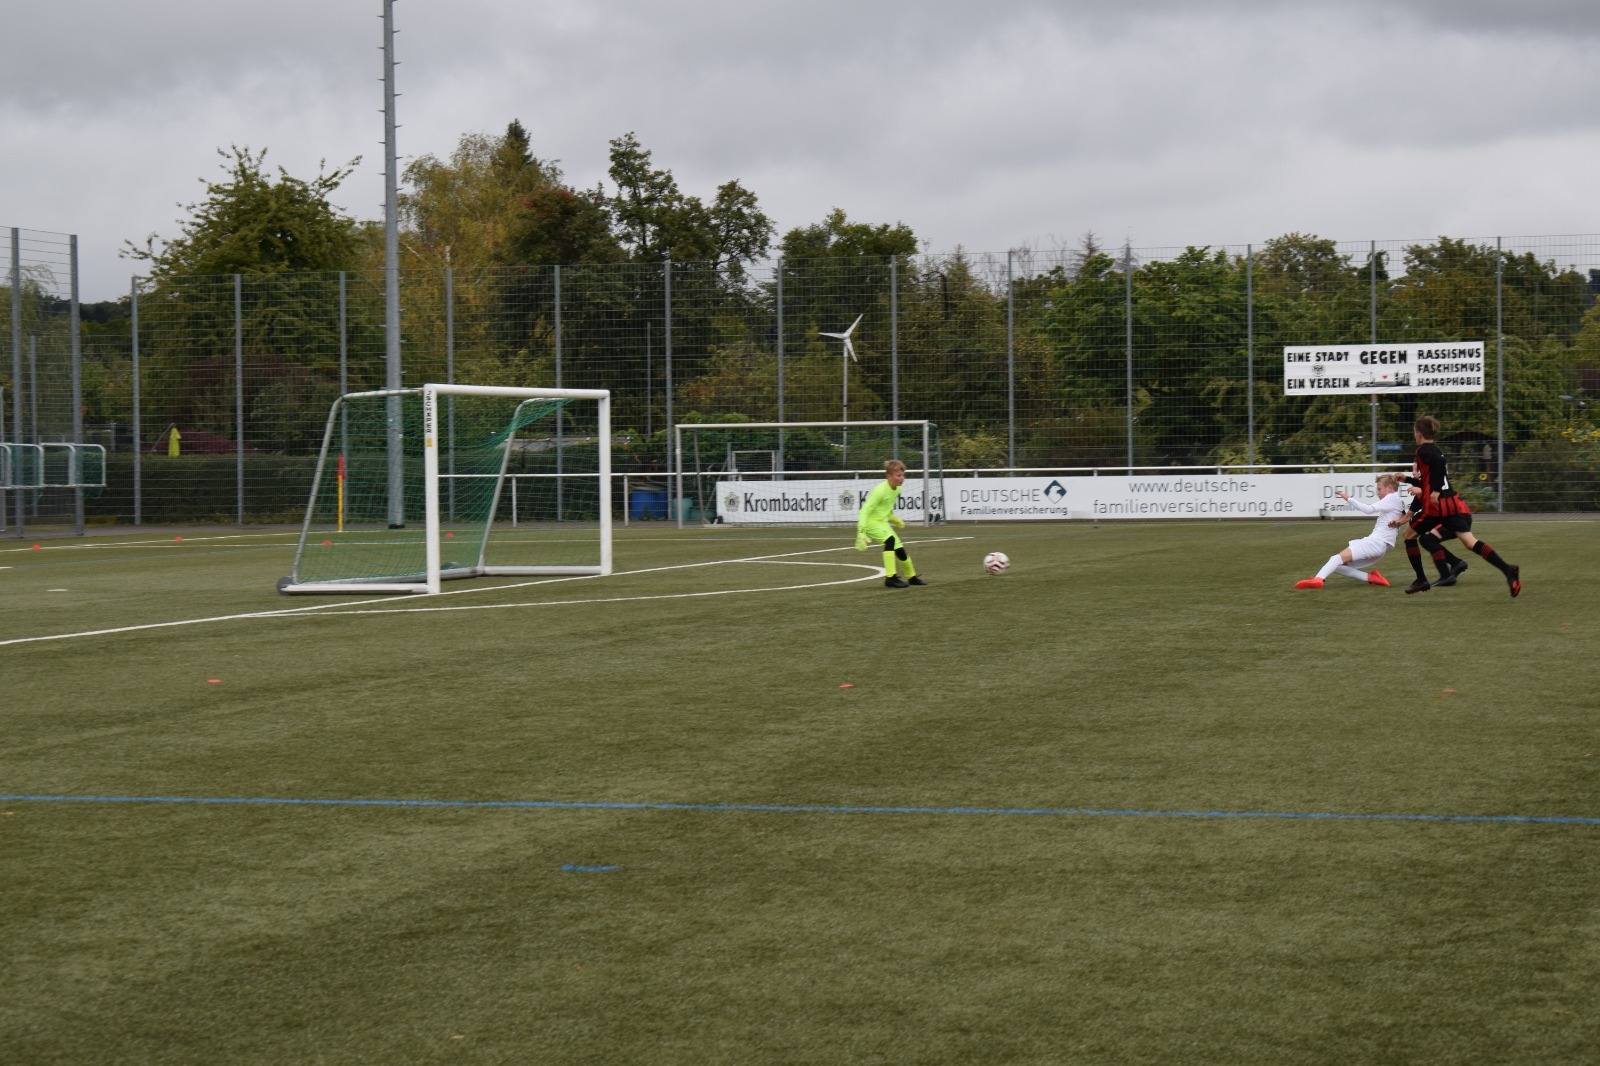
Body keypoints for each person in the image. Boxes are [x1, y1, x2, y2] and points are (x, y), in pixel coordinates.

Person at [1397, 414, 1521, 597]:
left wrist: (1436, 490)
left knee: (1409, 535)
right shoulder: (1434, 450)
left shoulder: (1422, 451)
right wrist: (1407, 479)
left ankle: (1421, 579)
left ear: (1418, 433)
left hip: (1438, 507)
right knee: (1470, 543)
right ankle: (1508, 570)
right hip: (1452, 506)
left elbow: (1440, 464)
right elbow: (1430, 477)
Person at [1294, 475, 1409, 589]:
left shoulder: (1391, 498)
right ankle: (1371, 577)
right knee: (1336, 566)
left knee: (1335, 559)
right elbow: (1406, 516)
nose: (1377, 492)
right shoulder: (1398, 500)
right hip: (1381, 547)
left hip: (1375, 543)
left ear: (1389, 488)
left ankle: (1317, 580)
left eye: (1379, 489)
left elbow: (1368, 509)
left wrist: (1348, 498)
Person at [856, 458, 926, 588]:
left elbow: (885, 509)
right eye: (898, 475)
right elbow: (864, 511)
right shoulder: (879, 491)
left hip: (882, 523)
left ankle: (912, 577)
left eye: (903, 475)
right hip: (871, 523)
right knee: (890, 542)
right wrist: (861, 532)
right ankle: (890, 578)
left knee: (900, 549)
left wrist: (894, 519)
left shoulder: (897, 489)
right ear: (889, 476)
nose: (902, 478)